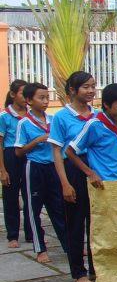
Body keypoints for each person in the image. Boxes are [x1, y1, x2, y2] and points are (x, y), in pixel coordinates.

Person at [49, 71, 96, 282]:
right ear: (72, 90)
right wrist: (65, 183)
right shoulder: (61, 117)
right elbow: (57, 152)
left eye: (93, 86)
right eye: (85, 87)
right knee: (76, 223)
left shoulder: (96, 114)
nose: (90, 91)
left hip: (94, 169)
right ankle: (79, 272)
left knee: (96, 222)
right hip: (72, 169)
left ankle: (98, 268)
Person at [14, 82, 68, 264]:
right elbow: (19, 151)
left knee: (59, 208)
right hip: (34, 167)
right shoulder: (24, 123)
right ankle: (39, 248)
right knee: (33, 209)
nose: (46, 101)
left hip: (53, 167)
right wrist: (38, 140)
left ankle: (68, 245)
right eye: (41, 98)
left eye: (47, 97)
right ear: (29, 100)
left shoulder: (54, 120)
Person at [66, 83, 117, 188]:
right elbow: (69, 151)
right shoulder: (94, 125)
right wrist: (90, 173)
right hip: (103, 183)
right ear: (106, 105)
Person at [0, 79, 32, 247]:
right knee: (11, 196)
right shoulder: (4, 116)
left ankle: (31, 232)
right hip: (11, 155)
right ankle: (12, 235)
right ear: (13, 94)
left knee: (31, 195)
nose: (26, 96)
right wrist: (2, 170)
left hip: (28, 154)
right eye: (22, 93)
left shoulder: (31, 114)